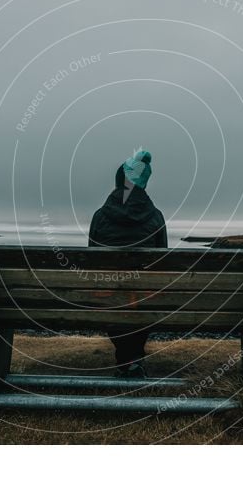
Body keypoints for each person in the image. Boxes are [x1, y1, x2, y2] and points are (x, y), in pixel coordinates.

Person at [88, 148, 168, 377]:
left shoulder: (99, 217)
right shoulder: (156, 217)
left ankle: (127, 361)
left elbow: (92, 260)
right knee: (142, 298)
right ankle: (131, 362)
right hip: (144, 297)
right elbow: (162, 263)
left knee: (113, 297)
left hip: (107, 295)